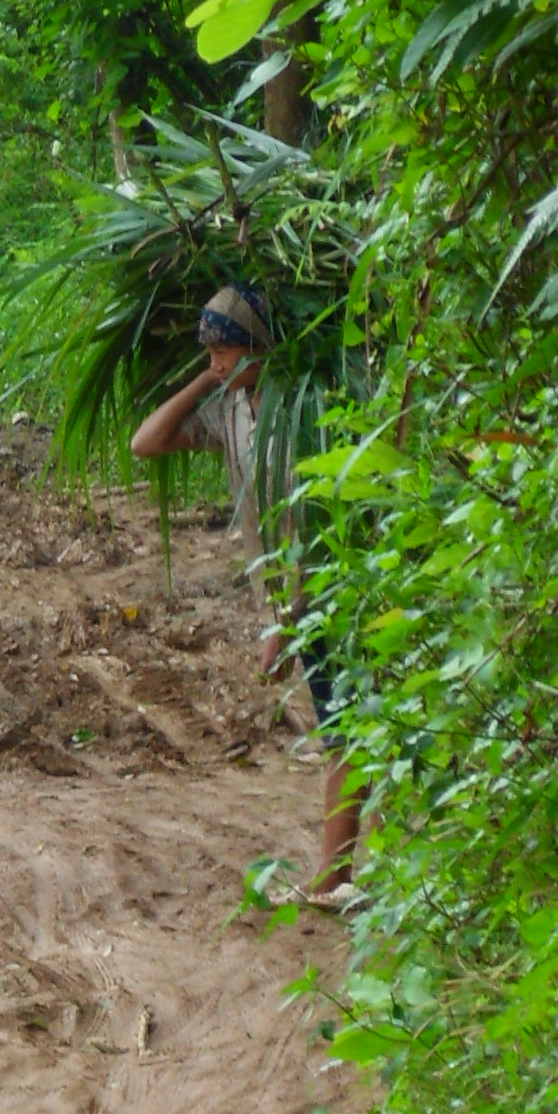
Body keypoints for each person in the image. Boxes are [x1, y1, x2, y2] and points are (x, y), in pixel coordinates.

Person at [131, 283, 359, 898]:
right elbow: (146, 442)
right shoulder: (231, 413)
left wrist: (285, 626)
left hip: (332, 588)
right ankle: (340, 873)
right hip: (291, 600)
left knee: (345, 731)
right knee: (344, 729)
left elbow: (320, 528)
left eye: (226, 351)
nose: (216, 362)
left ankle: (334, 876)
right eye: (210, 353)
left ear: (261, 347)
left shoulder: (304, 411)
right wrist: (207, 379)